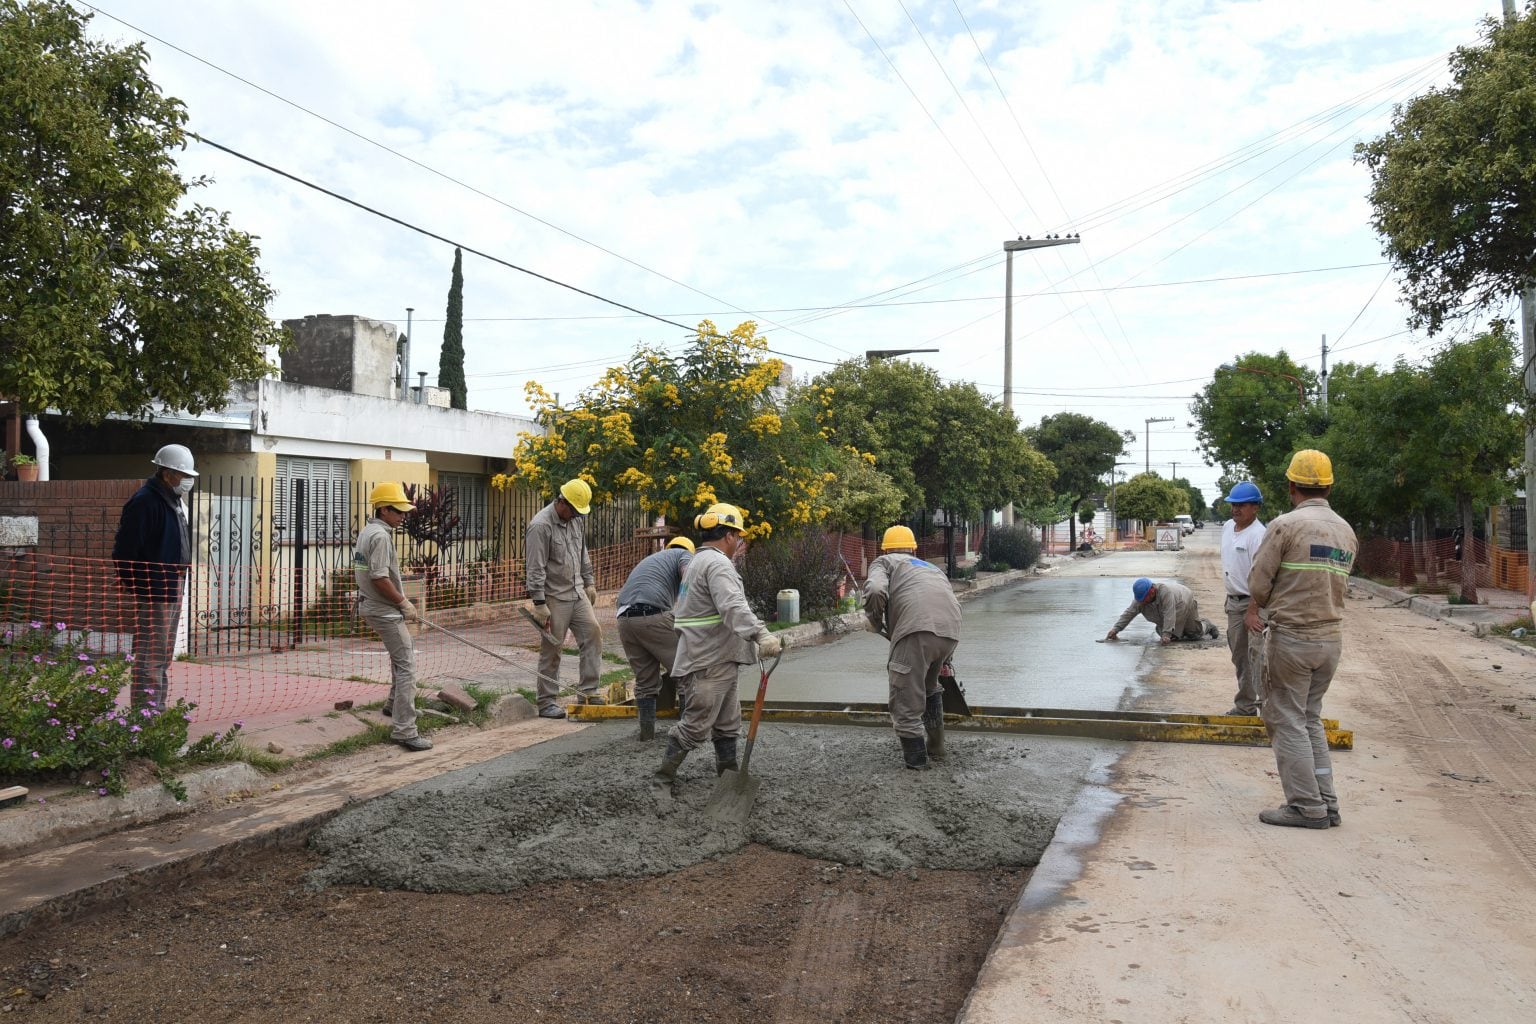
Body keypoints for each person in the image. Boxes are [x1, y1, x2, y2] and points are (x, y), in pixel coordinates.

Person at [1245, 449, 1357, 829]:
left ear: (1291, 485)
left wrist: (1264, 603)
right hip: (1331, 640)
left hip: (1292, 638)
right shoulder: (1345, 530)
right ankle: (1327, 803)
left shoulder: (1285, 526)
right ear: (1328, 486)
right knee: (1309, 718)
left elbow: (1259, 585)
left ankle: (1306, 807)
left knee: (1285, 719)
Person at [653, 503, 785, 788]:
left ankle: (728, 779)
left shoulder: (699, 561)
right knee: (695, 725)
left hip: (716, 657)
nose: (739, 542)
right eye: (738, 536)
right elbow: (733, 607)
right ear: (728, 536)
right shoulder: (717, 564)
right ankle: (661, 781)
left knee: (727, 723)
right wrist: (761, 634)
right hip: (709, 661)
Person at [863, 525, 962, 770]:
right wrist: (947, 656)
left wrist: (874, 620)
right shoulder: (929, 567)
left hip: (917, 630)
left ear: (884, 548)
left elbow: (875, 590)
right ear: (914, 549)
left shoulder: (884, 561)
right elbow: (947, 600)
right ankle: (937, 747)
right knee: (928, 686)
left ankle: (917, 765)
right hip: (951, 630)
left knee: (904, 696)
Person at [112, 444, 197, 713]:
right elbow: (124, 552)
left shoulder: (171, 501)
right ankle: (145, 717)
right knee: (151, 657)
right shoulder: (145, 502)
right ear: (167, 473)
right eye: (183, 475)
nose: (187, 480)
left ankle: (155, 712)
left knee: (162, 656)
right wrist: (140, 586)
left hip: (172, 587)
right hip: (155, 590)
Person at [353, 482, 431, 752]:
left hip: (372, 606)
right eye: (398, 511)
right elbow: (379, 577)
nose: (403, 516)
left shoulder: (369, 530)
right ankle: (405, 730)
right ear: (383, 509)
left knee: (400, 659)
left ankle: (392, 706)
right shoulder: (382, 536)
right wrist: (404, 602)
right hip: (383, 610)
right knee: (407, 664)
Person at [525, 478, 604, 719]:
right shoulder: (541, 526)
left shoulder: (576, 520)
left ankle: (588, 691)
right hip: (554, 597)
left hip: (577, 592)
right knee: (553, 648)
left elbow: (583, 553)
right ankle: (547, 701)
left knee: (593, 634)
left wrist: (589, 582)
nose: (577, 515)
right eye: (574, 511)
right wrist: (539, 602)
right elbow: (535, 567)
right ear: (562, 502)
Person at [617, 536, 694, 740]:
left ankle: (646, 734)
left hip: (624, 619)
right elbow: (687, 575)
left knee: (645, 681)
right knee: (687, 671)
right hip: (652, 615)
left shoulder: (654, 560)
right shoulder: (684, 554)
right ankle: (689, 732)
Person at [1220, 481, 1268, 716]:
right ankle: (1247, 705)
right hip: (1234, 603)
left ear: (1255, 507)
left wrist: (1252, 611)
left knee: (1257, 657)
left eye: (1242, 505)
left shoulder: (1259, 536)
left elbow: (1262, 577)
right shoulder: (1228, 527)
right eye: (1233, 504)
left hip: (1252, 603)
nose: (1236, 509)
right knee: (1240, 657)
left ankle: (1260, 706)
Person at [1105, 577, 1218, 644]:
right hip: (1166, 614)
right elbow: (1129, 613)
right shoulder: (1141, 599)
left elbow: (1169, 613)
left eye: (1144, 599)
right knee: (1174, 636)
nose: (1142, 602)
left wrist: (1166, 634)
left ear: (1152, 591)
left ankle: (1207, 625)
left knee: (1194, 635)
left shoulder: (1165, 592)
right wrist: (1115, 629)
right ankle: (1173, 631)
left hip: (1184, 601)